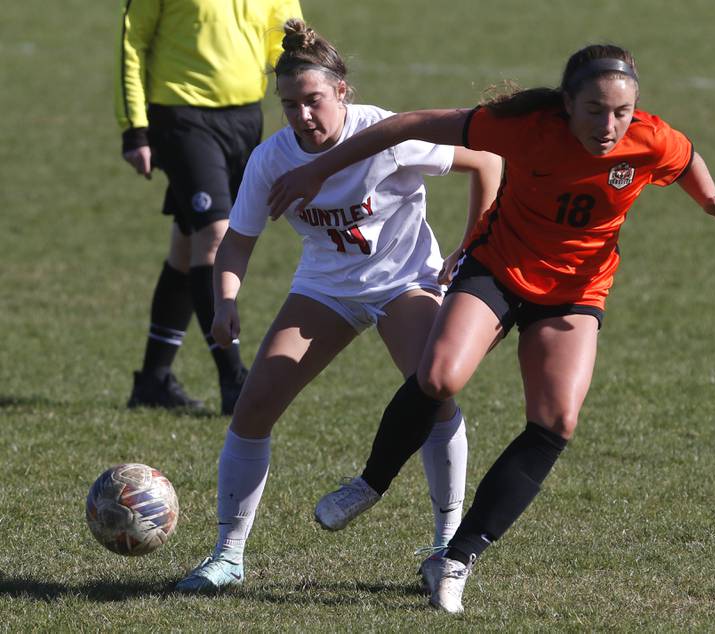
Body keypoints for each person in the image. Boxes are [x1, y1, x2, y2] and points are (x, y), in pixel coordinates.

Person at [267, 44, 715, 613]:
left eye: (621, 113)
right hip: (499, 269)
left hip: (576, 291)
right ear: (566, 104)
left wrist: (709, 200)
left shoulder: (650, 137)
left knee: (557, 421)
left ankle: (454, 558)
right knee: (438, 376)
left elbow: (686, 157)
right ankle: (371, 482)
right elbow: (404, 125)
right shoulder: (525, 127)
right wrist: (316, 168)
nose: (608, 125)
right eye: (594, 110)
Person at [174, 19, 503, 593]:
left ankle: (445, 550)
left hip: (406, 282)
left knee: (434, 394)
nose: (302, 116)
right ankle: (227, 557)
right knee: (253, 408)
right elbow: (237, 243)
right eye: (289, 104)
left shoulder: (386, 133)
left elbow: (488, 162)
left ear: (342, 92)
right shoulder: (271, 159)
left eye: (314, 101)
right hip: (325, 289)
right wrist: (226, 301)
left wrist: (473, 243)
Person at [115, 0, 303, 414]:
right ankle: (234, 378)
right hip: (182, 116)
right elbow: (134, 43)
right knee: (217, 237)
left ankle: (153, 379)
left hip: (245, 119)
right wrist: (135, 128)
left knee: (187, 245)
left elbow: (284, 43)